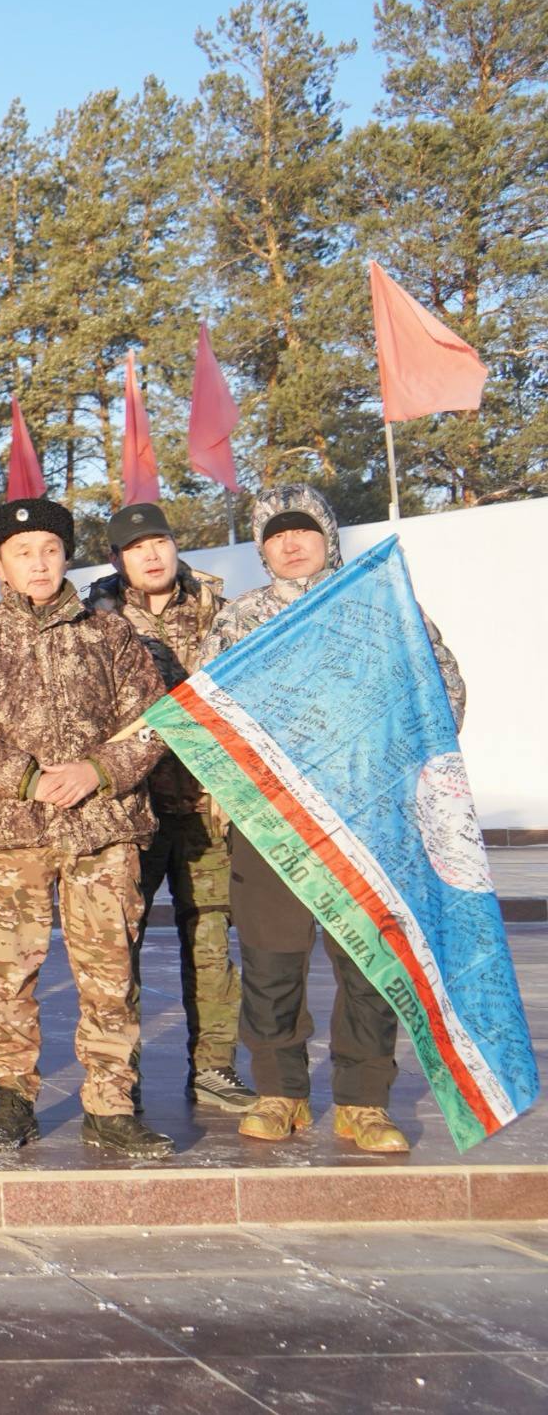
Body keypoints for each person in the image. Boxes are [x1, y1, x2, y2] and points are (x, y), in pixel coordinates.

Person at [197, 485, 465, 1154]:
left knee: (371, 963)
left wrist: (396, 766)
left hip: (367, 817)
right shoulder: (242, 618)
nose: (291, 544)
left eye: (304, 531)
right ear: (261, 547)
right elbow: (210, 707)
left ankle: (364, 1101)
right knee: (271, 960)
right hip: (272, 820)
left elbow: (441, 691)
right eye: (276, 534)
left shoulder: (380, 608)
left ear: (329, 536)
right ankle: (278, 1091)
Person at [0, 498, 173, 1158]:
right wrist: (30, 779)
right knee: (8, 970)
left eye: (49, 550)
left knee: (108, 970)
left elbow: (153, 721)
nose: (38, 564)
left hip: (103, 830)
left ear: (66, 556)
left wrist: (98, 769)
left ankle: (111, 1102)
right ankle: (12, 1098)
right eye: (22, 553)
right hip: (14, 831)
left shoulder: (111, 635)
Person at [82, 502, 256, 1114]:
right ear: (117, 559)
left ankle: (213, 1067)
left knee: (209, 935)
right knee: (116, 943)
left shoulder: (220, 610)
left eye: (160, 541)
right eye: (136, 547)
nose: (151, 555)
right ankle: (116, 1075)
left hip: (206, 805)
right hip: (130, 807)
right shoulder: (93, 619)